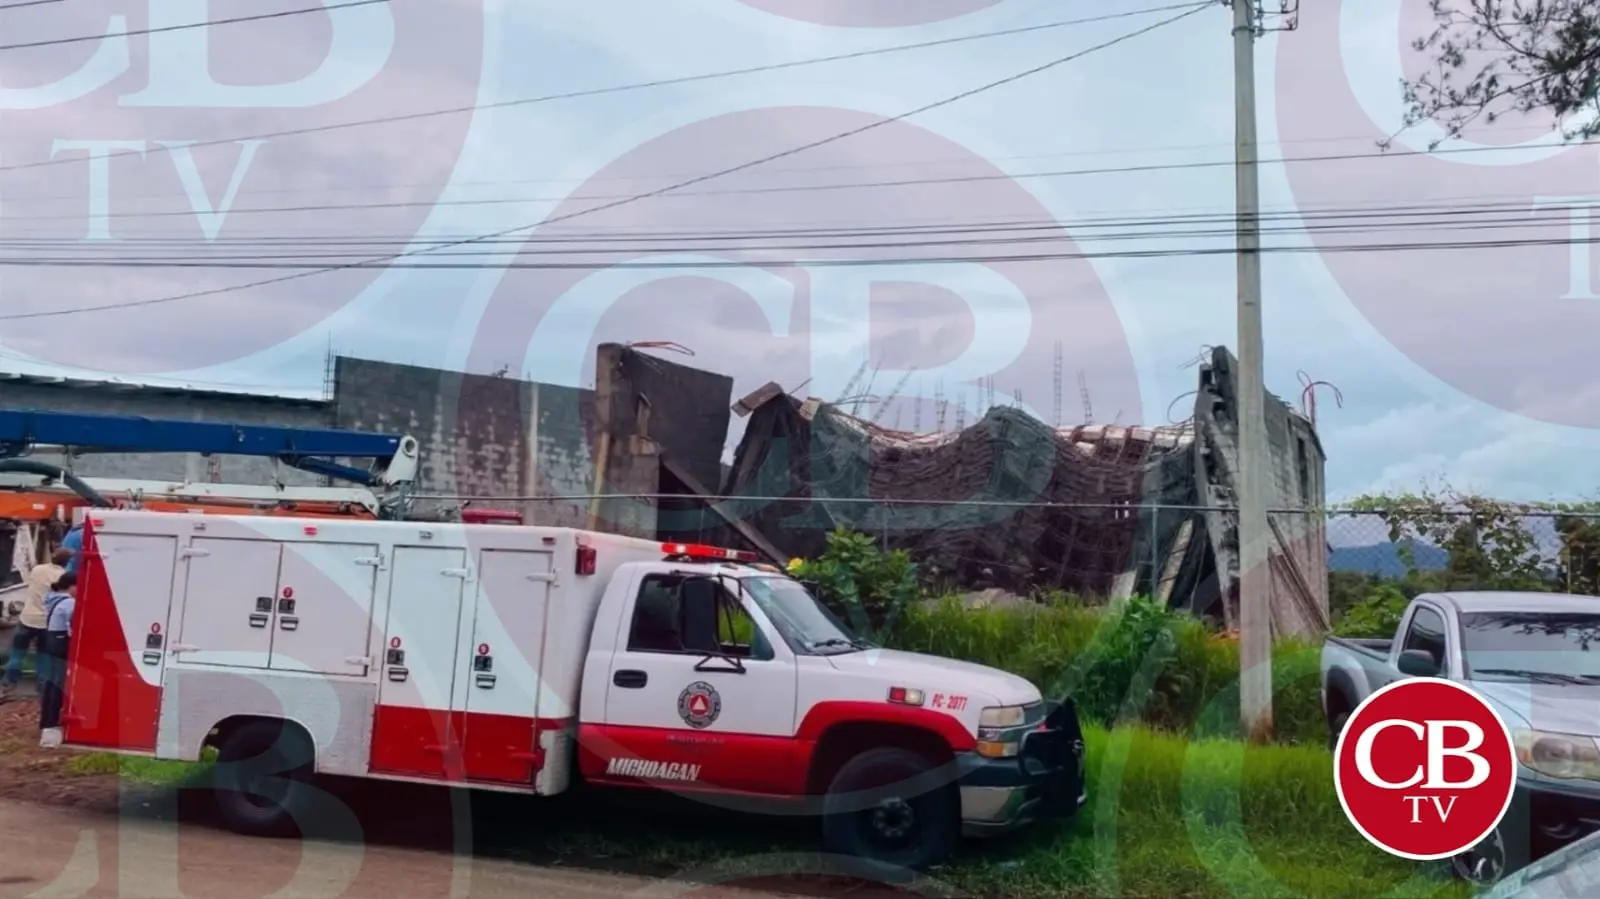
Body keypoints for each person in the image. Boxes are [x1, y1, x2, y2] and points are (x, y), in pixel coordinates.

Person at [0, 547, 70, 703]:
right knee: (43, 658)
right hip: (46, 624)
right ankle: (41, 692)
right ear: (67, 562)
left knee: (17, 653)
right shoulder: (63, 577)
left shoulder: (38, 570)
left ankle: (7, 684)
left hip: (27, 618)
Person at [37, 572, 76, 749]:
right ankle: (52, 723)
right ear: (71, 586)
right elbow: (74, 624)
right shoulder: (69, 602)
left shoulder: (52, 599)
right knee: (59, 685)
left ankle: (46, 720)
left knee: (51, 683)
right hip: (61, 645)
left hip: (50, 642)